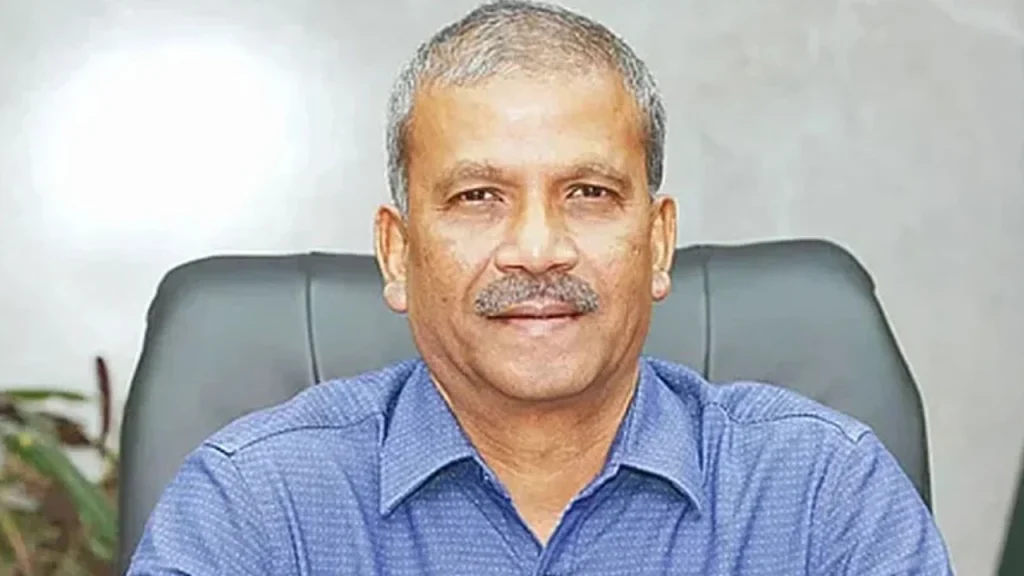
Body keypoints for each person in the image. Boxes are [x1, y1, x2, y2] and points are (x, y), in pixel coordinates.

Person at [127, 1, 953, 574]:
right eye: (478, 197)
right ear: (397, 254)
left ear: (658, 243)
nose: (536, 249)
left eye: (588, 193)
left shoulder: (821, 495)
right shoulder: (256, 507)